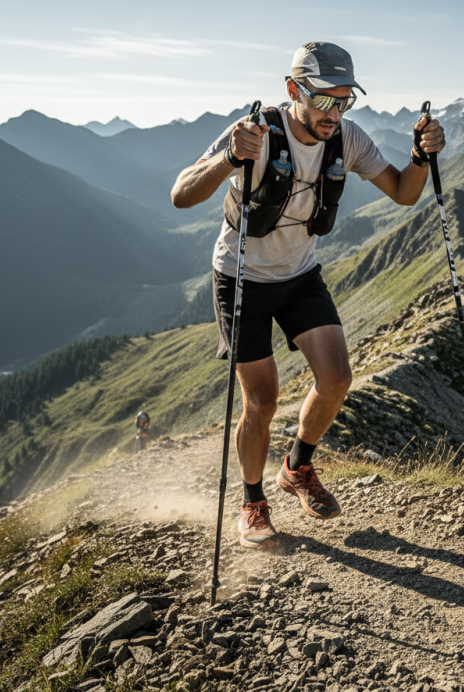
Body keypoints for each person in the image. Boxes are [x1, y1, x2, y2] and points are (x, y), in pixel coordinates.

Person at [171, 41, 445, 548]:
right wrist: (230, 156)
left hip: (299, 274)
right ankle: (253, 503)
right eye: (323, 100)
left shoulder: (347, 138)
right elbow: (181, 193)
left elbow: (405, 193)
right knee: (263, 401)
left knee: (337, 377)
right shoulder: (257, 132)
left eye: (344, 101)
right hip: (241, 277)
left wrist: (419, 156)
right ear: (294, 89)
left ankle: (296, 468)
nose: (333, 112)